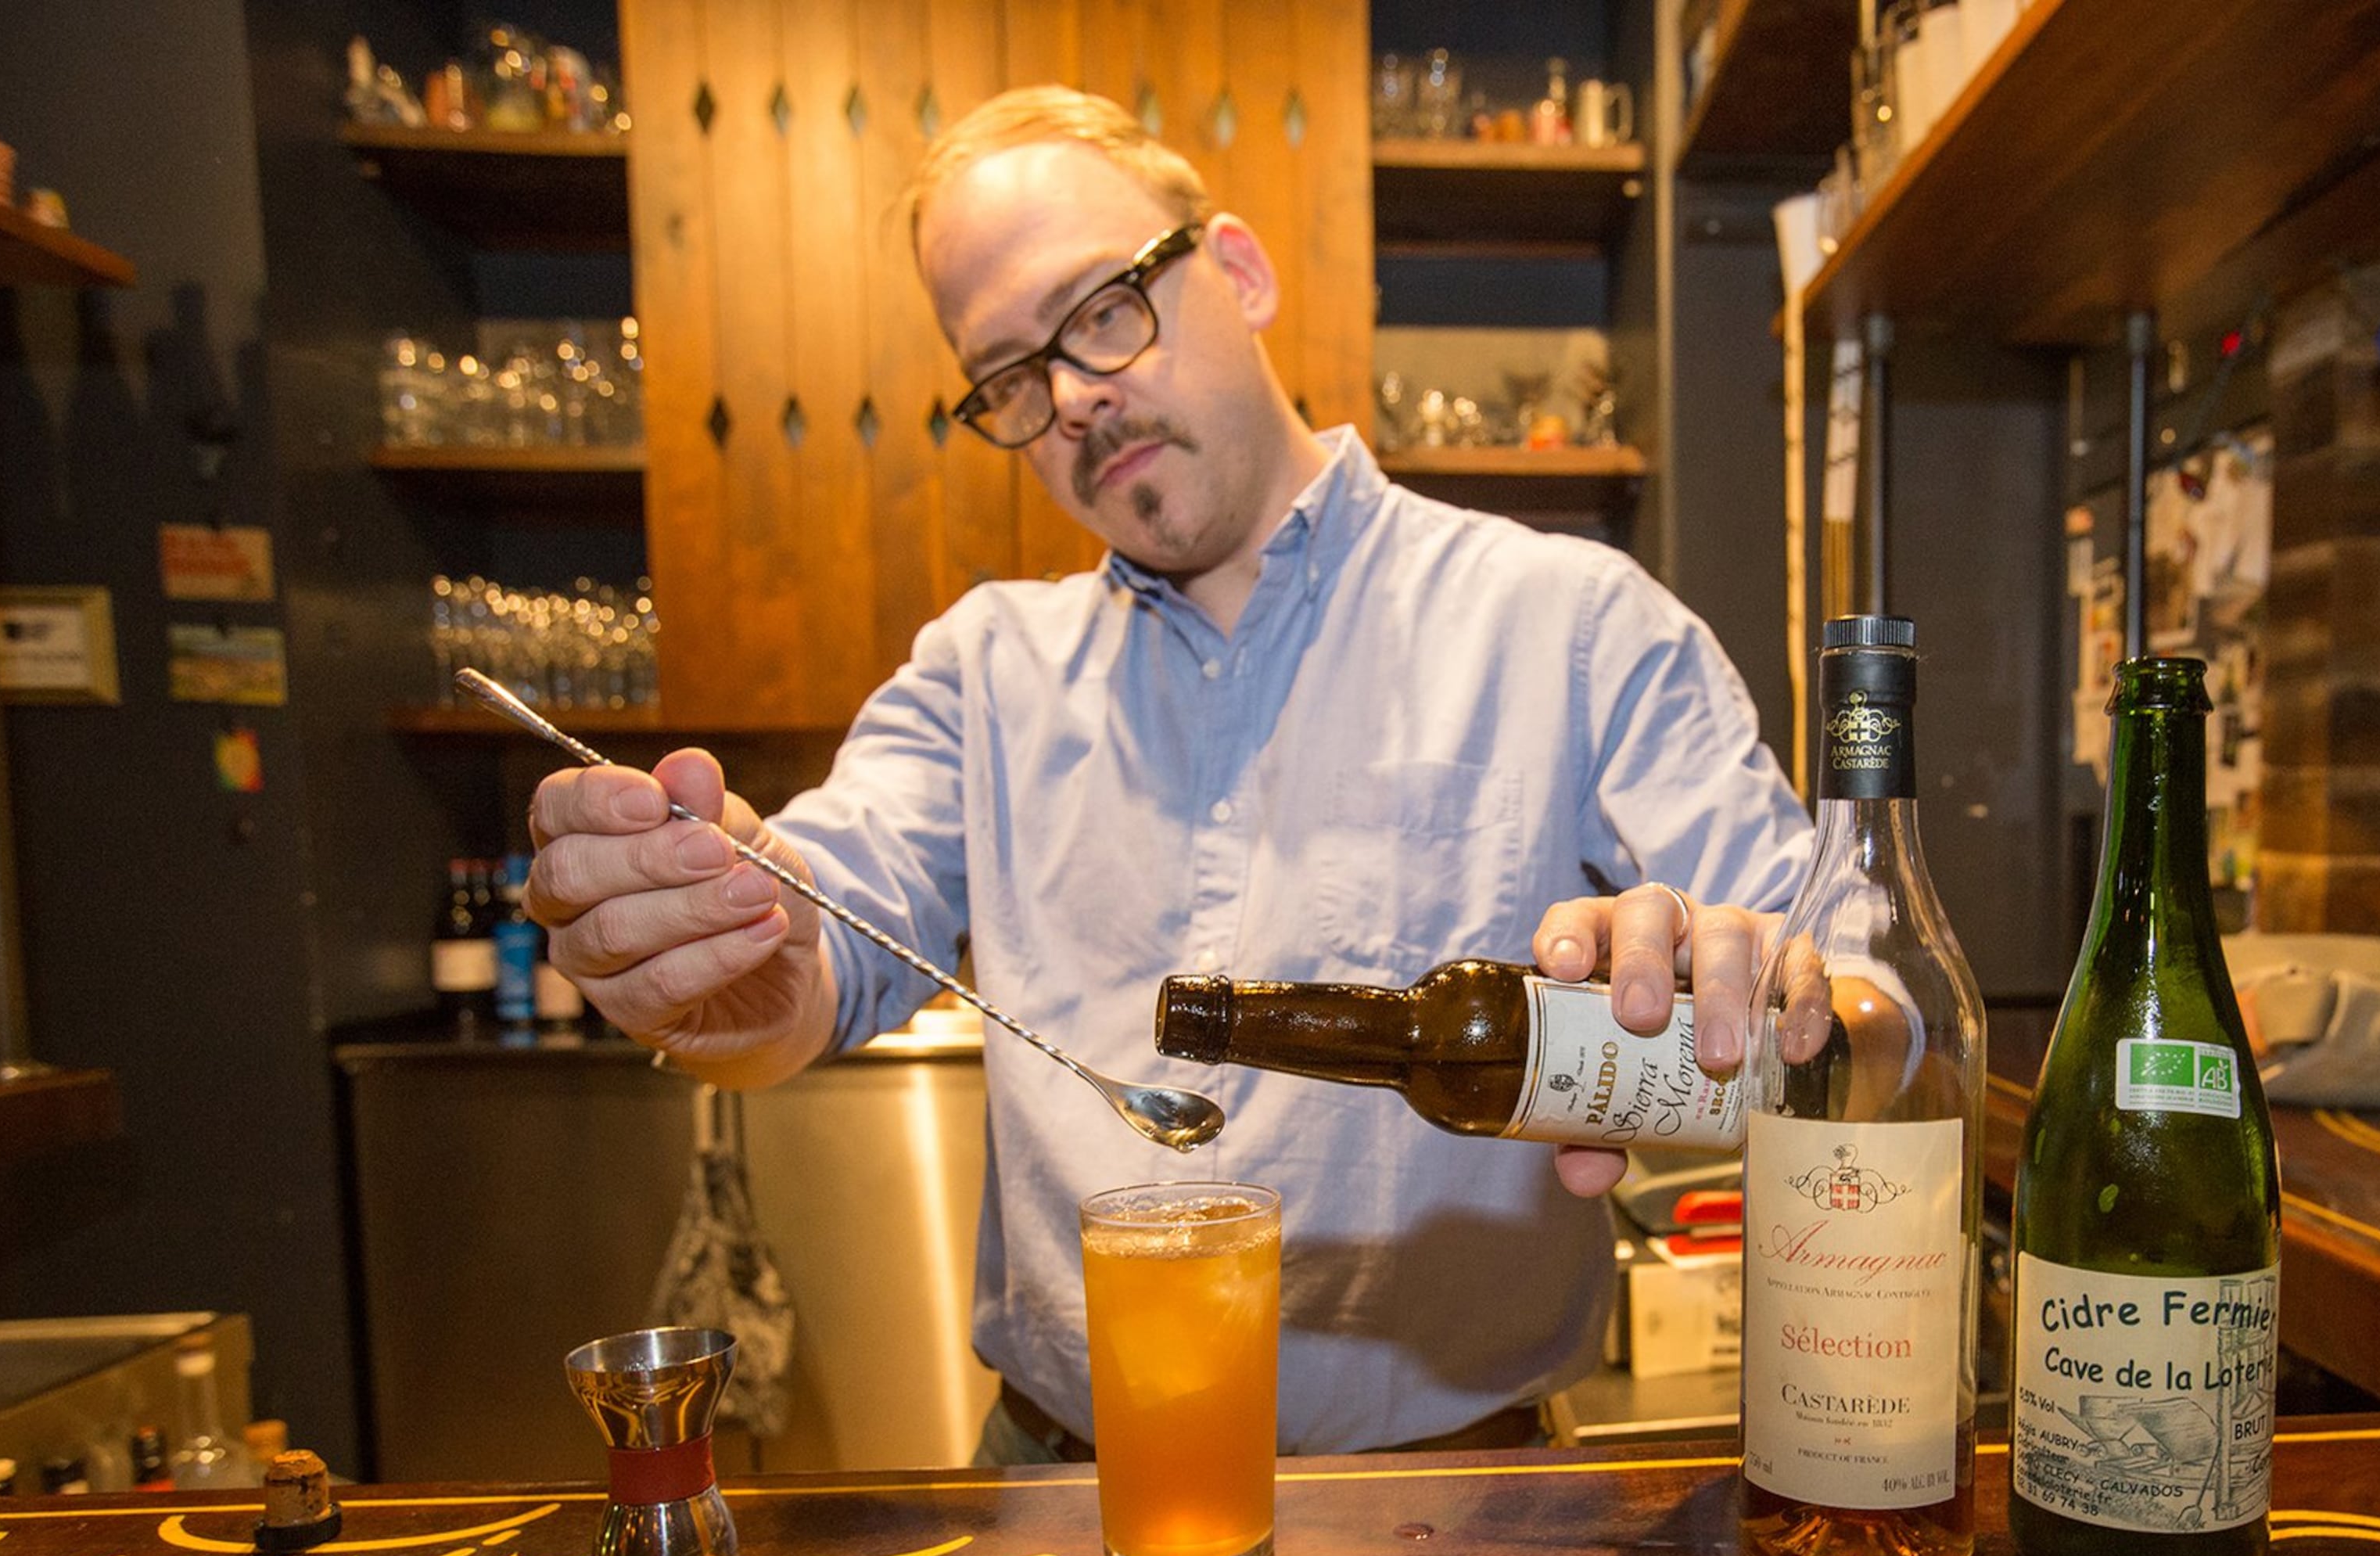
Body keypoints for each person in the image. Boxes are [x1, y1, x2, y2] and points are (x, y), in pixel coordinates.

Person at [526, 87, 1811, 1460]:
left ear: (1240, 270)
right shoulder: (984, 668)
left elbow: (1870, 995)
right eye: (1013, 377)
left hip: (1451, 1507)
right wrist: (712, 930)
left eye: (1099, 310)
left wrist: (1749, 979)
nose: (1073, 398)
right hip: (1051, 1501)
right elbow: (817, 948)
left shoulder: (1568, 622)